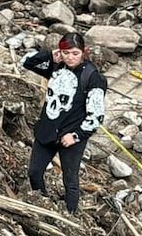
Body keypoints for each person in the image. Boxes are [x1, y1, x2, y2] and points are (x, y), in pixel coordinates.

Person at [24, 32, 106, 213]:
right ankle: (42, 202)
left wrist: (77, 135)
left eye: (75, 53)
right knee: (34, 172)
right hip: (47, 129)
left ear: (84, 52)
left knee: (70, 180)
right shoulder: (56, 66)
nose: (70, 58)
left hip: (71, 135)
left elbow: (96, 115)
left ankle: (71, 214)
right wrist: (50, 54)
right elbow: (27, 62)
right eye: (66, 53)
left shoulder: (93, 78)